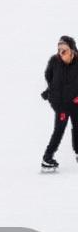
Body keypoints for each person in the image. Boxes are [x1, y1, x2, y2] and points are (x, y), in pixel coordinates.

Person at [41, 35, 78, 170]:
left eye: (64, 50)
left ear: (72, 50)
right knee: (59, 130)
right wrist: (50, 91)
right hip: (61, 103)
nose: (60, 53)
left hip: (76, 103)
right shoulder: (54, 61)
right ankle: (47, 158)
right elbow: (48, 76)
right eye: (59, 50)